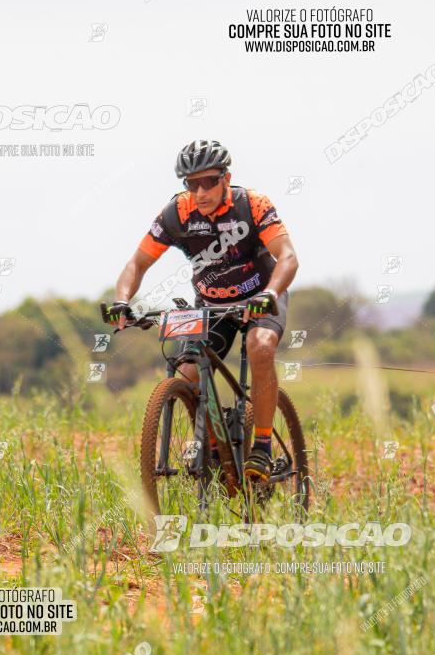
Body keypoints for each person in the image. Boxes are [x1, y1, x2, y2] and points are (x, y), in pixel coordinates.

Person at [106, 139, 299, 481]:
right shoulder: (177, 213)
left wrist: (270, 292)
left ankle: (263, 447)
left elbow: (287, 257)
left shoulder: (252, 204)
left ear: (226, 177)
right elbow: (136, 264)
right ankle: (215, 449)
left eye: (208, 181)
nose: (200, 191)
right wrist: (122, 301)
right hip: (211, 304)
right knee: (188, 373)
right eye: (190, 183)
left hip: (261, 295)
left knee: (261, 346)